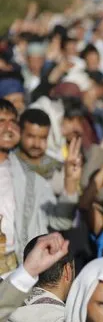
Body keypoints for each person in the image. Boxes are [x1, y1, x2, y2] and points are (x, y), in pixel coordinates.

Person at [0, 99, 78, 271]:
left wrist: (70, 181)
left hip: (17, 272)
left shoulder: (34, 182)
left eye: (13, 121)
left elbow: (60, 223)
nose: (8, 127)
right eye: (1, 121)